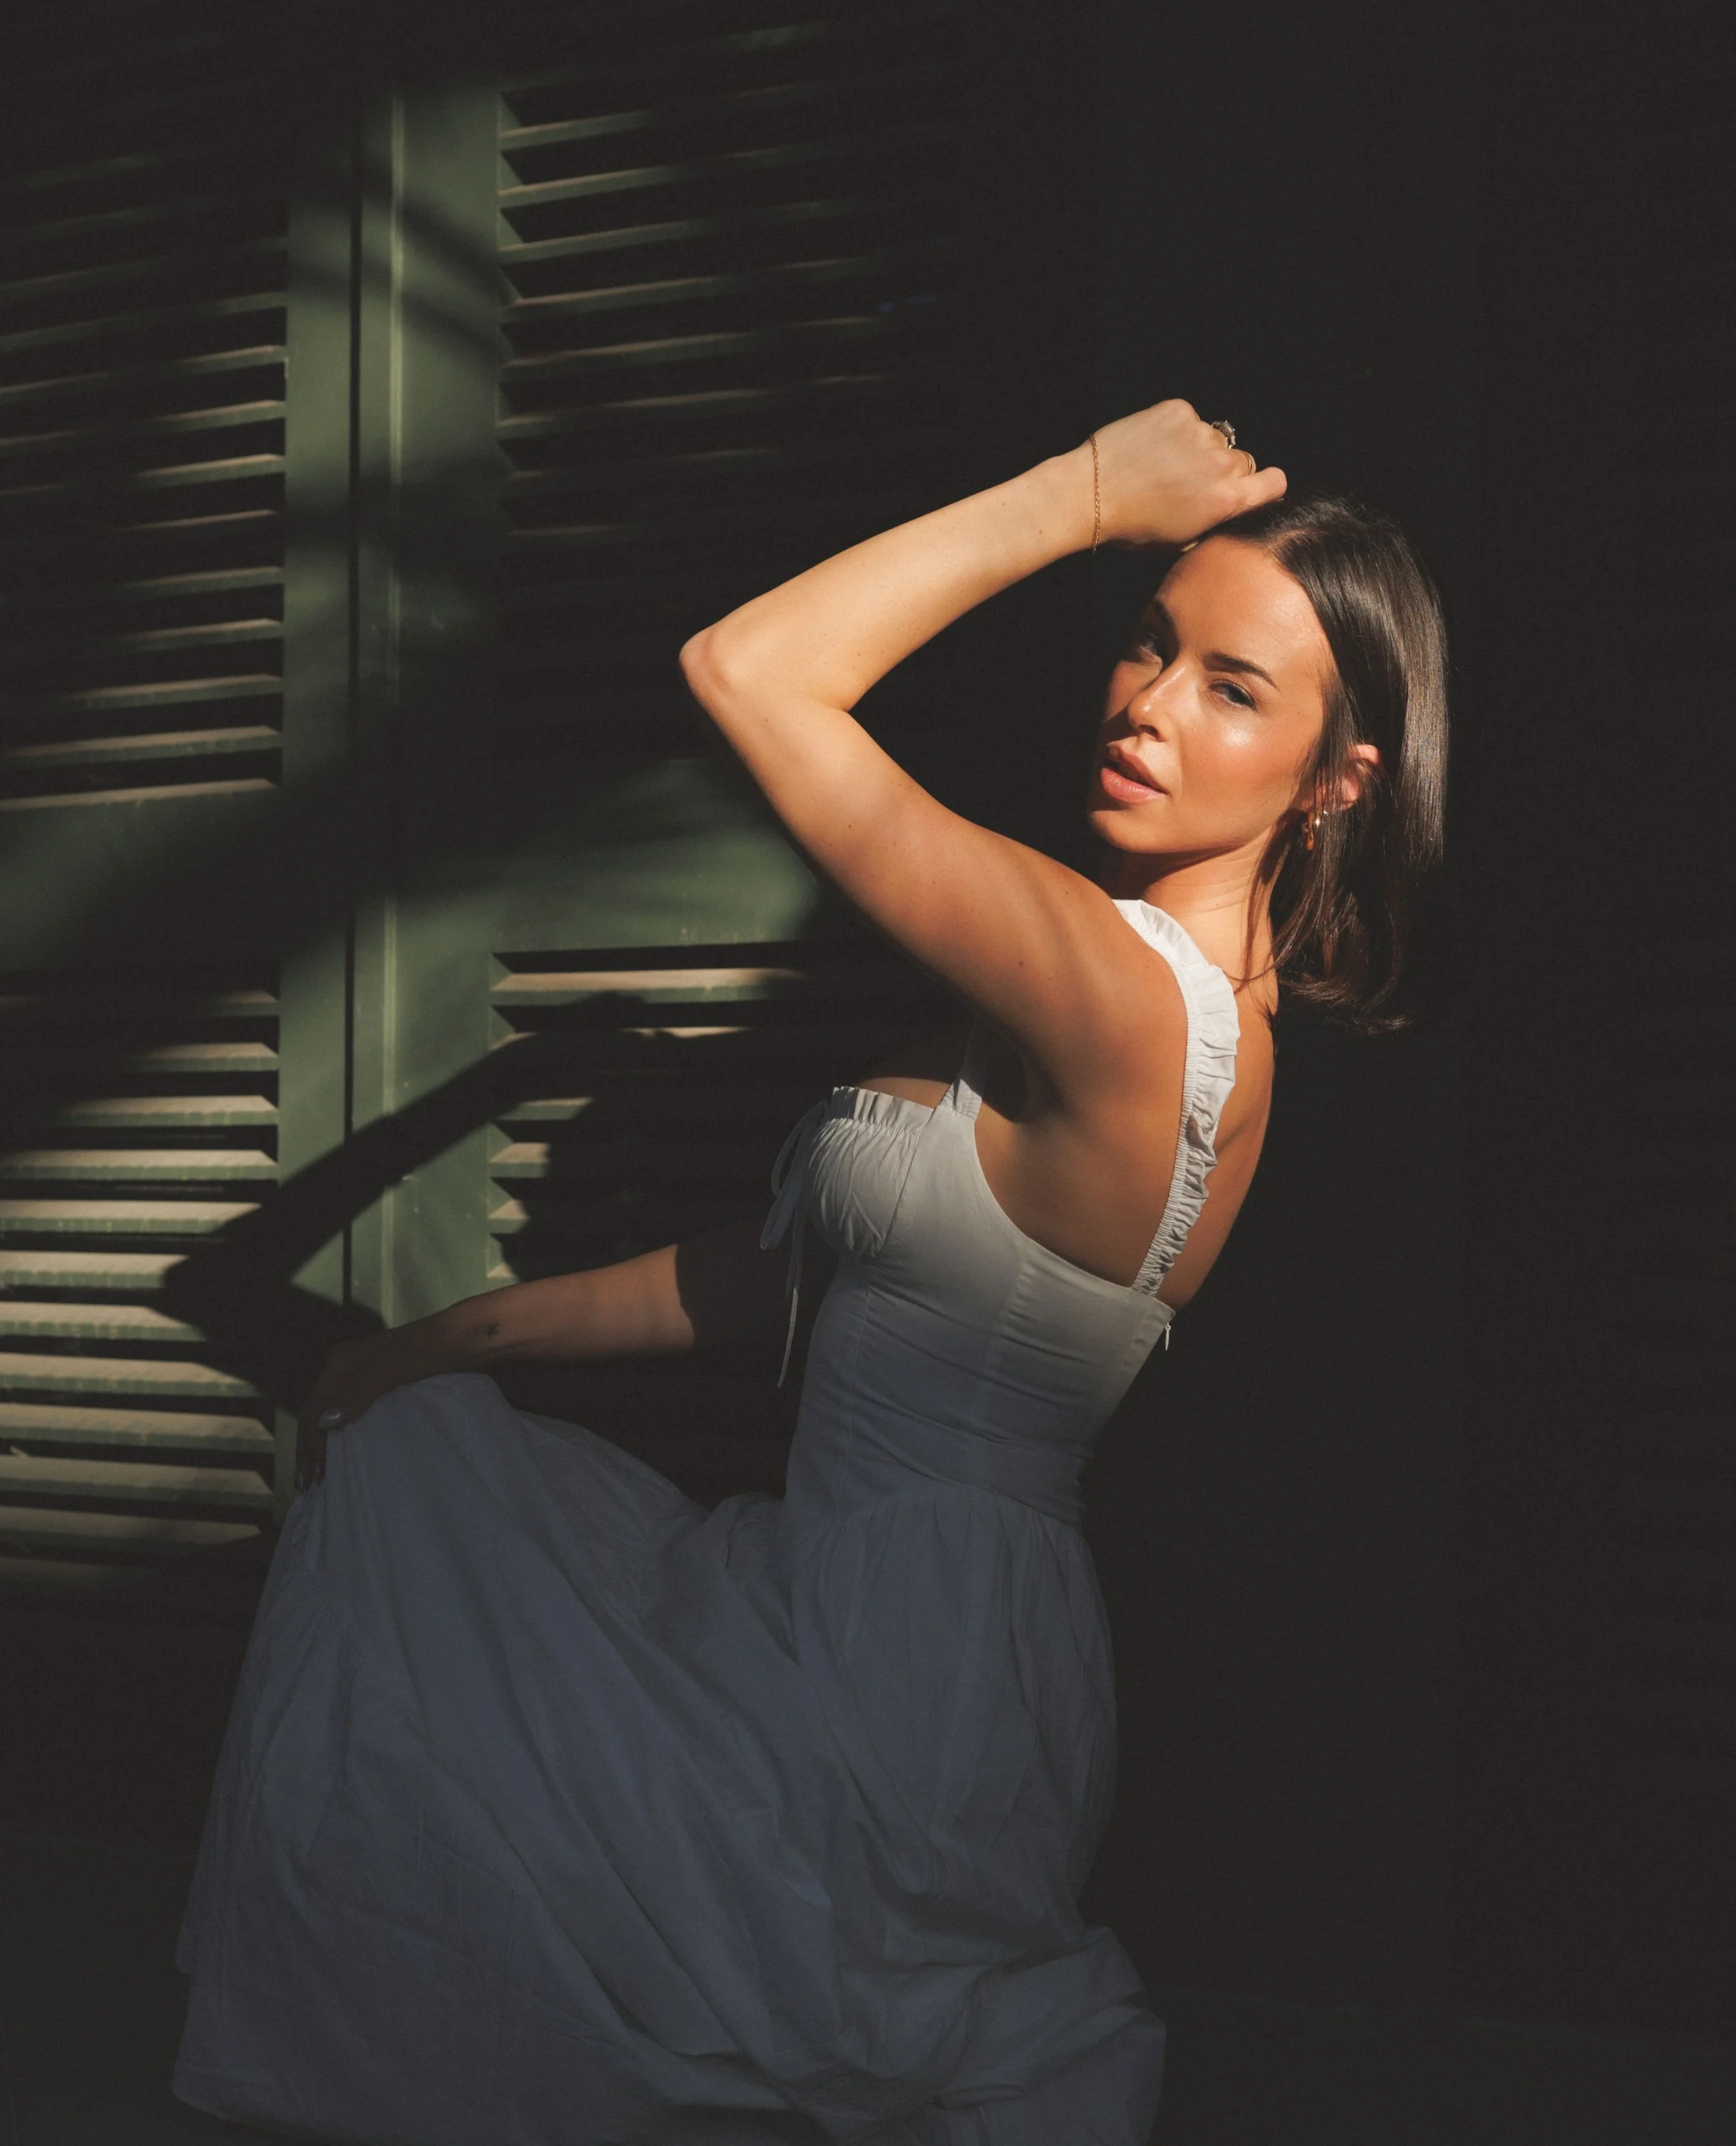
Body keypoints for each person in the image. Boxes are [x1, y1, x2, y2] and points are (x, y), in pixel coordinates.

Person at [173, 401, 1447, 2145]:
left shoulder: (1114, 987)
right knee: (431, 1498)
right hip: (929, 1632)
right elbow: (784, 1284)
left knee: (632, 1987)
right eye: (1149, 640)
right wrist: (431, 1344)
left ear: (1333, 780)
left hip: (884, 1672)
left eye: (1232, 686)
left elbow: (750, 668)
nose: (1146, 700)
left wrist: (1079, 498)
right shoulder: (1187, 1003)